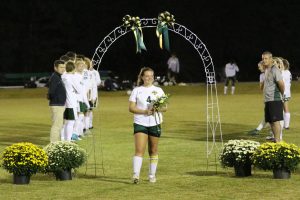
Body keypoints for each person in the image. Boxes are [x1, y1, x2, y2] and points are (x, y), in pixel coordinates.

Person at [129, 67, 167, 184]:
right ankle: (136, 175)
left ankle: (152, 175)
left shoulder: (159, 90)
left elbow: (165, 107)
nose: (149, 78)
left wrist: (156, 108)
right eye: (147, 76)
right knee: (139, 149)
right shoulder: (137, 90)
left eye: (151, 76)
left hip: (155, 123)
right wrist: (145, 111)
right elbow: (131, 108)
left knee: (153, 150)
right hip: (140, 122)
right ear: (142, 77)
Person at [262, 51, 285, 142]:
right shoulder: (267, 69)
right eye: (263, 58)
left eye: (266, 58)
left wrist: (281, 94)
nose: (264, 60)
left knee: (275, 121)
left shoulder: (275, 69)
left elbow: (281, 84)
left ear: (271, 59)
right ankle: (275, 139)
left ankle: (278, 141)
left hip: (274, 99)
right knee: (271, 121)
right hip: (268, 99)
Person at [48, 60, 66, 142]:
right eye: (61, 67)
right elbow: (51, 92)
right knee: (56, 125)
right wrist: (56, 99)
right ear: (55, 68)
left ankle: (55, 142)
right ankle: (54, 144)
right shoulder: (55, 77)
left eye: (64, 67)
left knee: (59, 124)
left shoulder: (58, 77)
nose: (63, 69)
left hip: (59, 104)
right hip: (57, 104)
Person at [282, 59, 292, 129]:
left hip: (283, 92)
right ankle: (286, 125)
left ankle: (284, 125)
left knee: (283, 108)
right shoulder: (288, 72)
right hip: (287, 92)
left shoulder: (283, 72)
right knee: (286, 108)